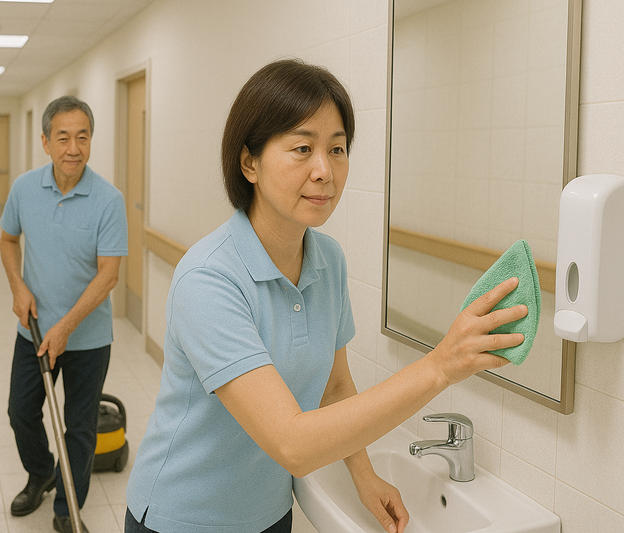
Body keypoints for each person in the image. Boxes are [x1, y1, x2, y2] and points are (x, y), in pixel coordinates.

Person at [124, 59, 528, 533]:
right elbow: (292, 444)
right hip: (183, 518)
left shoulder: (327, 259)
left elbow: (334, 385)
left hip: (270, 512)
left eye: (337, 149)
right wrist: (439, 367)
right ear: (249, 161)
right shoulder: (209, 279)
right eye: (302, 148)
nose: (324, 170)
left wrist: (364, 475)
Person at [0, 95, 128, 533]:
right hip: (33, 332)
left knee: (79, 428)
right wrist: (18, 286)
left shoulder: (109, 200)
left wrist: (66, 327)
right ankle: (41, 472)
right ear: (46, 142)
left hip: (88, 339)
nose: (73, 147)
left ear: (91, 140)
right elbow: (7, 240)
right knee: (20, 412)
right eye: (63, 137)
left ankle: (65, 512)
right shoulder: (23, 189)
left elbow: (108, 275)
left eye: (83, 137)